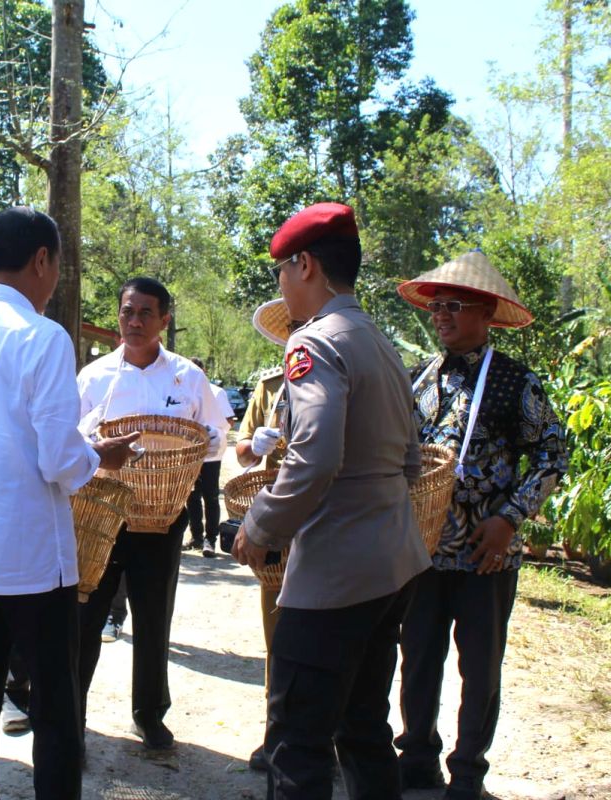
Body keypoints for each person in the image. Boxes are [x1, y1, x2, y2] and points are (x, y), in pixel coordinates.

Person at [0, 206, 138, 799]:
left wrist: (75, 448)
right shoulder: (42, 336)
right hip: (31, 557)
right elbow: (58, 461)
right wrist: (100, 457)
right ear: (42, 260)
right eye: (58, 266)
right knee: (55, 698)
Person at [232, 202, 430, 800]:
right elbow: (413, 457)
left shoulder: (315, 345)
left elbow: (314, 457)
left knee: (297, 744)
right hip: (390, 561)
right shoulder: (378, 339)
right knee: (363, 726)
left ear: (306, 265)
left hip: (334, 572)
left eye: (281, 273)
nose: (282, 287)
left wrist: (261, 526)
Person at [394, 252, 568, 799]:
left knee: (480, 665)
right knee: (418, 655)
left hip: (485, 552)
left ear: (486, 312)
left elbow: (552, 453)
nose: (440, 315)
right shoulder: (418, 379)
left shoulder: (515, 382)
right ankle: (417, 756)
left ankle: (468, 771)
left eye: (453, 305)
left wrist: (509, 520)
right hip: (422, 549)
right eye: (436, 306)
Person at [76, 276, 230, 752]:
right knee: (85, 618)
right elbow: (67, 439)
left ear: (164, 320)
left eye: (146, 313)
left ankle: (150, 715)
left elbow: (217, 439)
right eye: (127, 311)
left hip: (163, 516)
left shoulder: (188, 377)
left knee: (153, 614)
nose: (135, 321)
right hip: (101, 515)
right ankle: (71, 718)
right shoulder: (94, 377)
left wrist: (198, 440)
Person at [232, 298, 298, 773]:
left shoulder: (338, 376)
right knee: (278, 634)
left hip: (327, 522)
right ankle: (277, 735)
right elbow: (241, 452)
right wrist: (253, 446)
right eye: (293, 325)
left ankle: (327, 737)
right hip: (278, 522)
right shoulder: (271, 386)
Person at [185, 356, 237, 557]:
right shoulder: (183, 391)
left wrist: (213, 434)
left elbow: (228, 421)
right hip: (189, 453)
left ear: (203, 372)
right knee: (191, 495)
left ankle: (211, 538)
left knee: (210, 495)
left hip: (211, 454)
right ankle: (196, 536)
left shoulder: (216, 392)